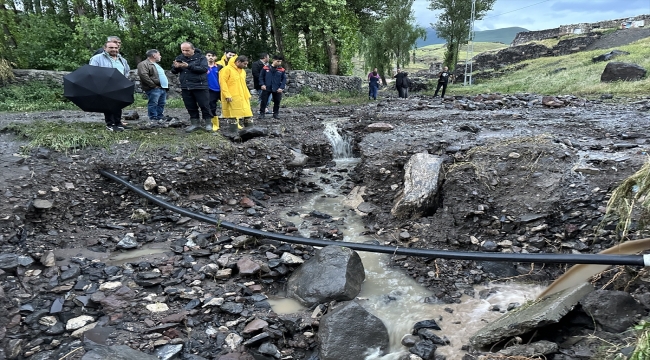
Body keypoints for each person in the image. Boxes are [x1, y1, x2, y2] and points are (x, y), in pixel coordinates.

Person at [171, 42, 212, 133]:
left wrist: (188, 66)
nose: (185, 52)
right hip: (186, 86)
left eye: (187, 50)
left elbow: (204, 69)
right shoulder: (179, 58)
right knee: (190, 106)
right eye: (183, 50)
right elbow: (174, 71)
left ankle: (208, 124)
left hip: (200, 85)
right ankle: (195, 124)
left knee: (204, 105)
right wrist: (176, 67)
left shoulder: (201, 58)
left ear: (193, 49)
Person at [89, 41, 130, 132]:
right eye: (111, 48)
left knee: (118, 105)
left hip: (119, 85)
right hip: (105, 85)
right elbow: (92, 71)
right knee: (108, 105)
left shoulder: (122, 60)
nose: (114, 50)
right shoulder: (97, 58)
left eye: (116, 48)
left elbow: (126, 71)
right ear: (105, 48)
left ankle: (118, 123)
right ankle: (110, 124)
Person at [219, 55, 253, 129]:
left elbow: (244, 84)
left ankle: (250, 131)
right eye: (244, 64)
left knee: (247, 113)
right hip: (232, 96)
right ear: (238, 62)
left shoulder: (243, 71)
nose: (246, 66)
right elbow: (222, 83)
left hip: (243, 96)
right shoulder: (226, 69)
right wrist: (227, 95)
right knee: (233, 114)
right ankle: (233, 132)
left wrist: (248, 94)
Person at [137, 49, 169, 123]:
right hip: (154, 88)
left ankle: (159, 116)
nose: (160, 56)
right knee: (153, 103)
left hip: (162, 88)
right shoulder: (143, 64)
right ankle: (153, 117)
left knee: (161, 103)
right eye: (159, 54)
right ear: (154, 55)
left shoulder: (156, 64)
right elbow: (144, 75)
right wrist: (153, 85)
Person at [258, 55, 286, 120]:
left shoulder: (282, 70)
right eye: (278, 61)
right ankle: (262, 113)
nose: (279, 63)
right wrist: (262, 84)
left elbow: (284, 79)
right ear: (273, 60)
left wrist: (281, 88)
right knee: (264, 101)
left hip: (277, 88)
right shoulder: (265, 68)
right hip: (266, 87)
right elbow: (261, 77)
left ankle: (275, 114)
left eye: (280, 62)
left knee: (277, 101)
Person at [205, 50, 221, 131]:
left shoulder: (220, 67)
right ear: (205, 57)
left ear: (216, 57)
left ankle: (234, 122)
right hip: (210, 90)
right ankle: (214, 123)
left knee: (229, 105)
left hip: (222, 89)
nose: (211, 57)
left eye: (213, 55)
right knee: (211, 106)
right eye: (209, 55)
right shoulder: (203, 67)